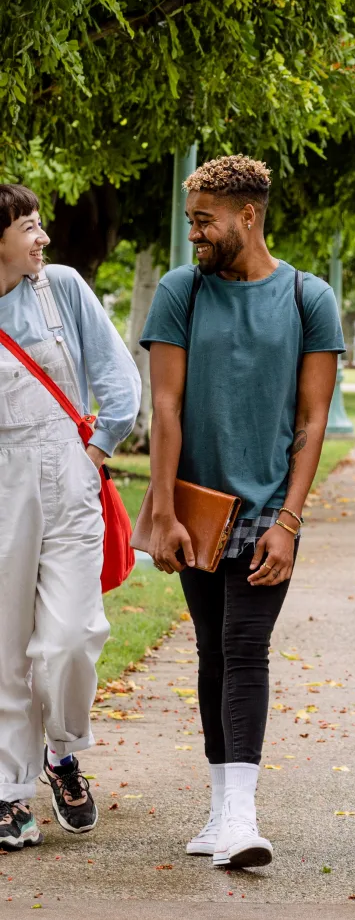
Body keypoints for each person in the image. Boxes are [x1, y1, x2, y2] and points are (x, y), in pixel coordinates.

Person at [141, 156, 344, 870]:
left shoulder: (306, 297)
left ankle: (239, 815)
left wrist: (289, 521)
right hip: (197, 507)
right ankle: (222, 809)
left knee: (245, 649)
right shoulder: (181, 292)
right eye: (191, 219)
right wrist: (162, 511)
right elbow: (164, 407)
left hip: (266, 511)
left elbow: (314, 420)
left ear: (247, 216)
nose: (194, 232)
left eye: (204, 220)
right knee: (212, 651)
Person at [0, 184, 140, 852]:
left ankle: (60, 752)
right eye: (29, 226)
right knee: (4, 649)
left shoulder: (61, 289)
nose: (43, 237)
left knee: (72, 636)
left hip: (70, 478)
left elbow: (118, 380)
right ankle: (8, 792)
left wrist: (93, 453)